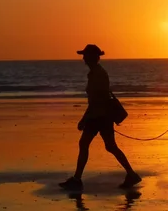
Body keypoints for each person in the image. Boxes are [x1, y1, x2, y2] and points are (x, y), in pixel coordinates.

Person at [59, 44, 142, 190]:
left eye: (85, 55)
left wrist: (84, 118)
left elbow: (97, 98)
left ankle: (77, 179)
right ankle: (131, 174)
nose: (83, 58)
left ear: (92, 57)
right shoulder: (96, 72)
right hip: (101, 116)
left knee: (86, 144)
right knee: (109, 146)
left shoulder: (98, 73)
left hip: (98, 116)